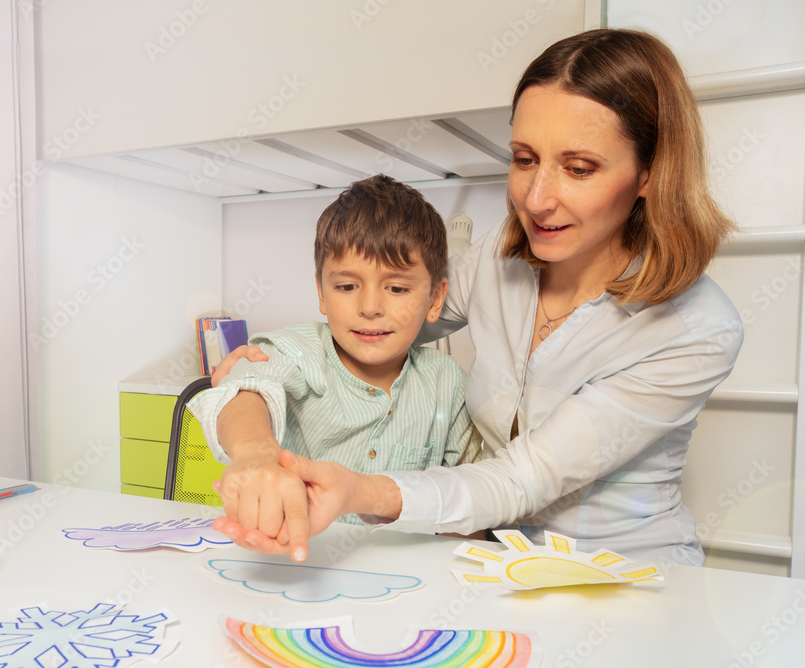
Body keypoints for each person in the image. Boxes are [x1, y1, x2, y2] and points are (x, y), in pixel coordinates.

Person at [210, 28, 744, 568]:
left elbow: (521, 479)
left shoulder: (696, 329)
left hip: (628, 574)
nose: (536, 200)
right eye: (524, 159)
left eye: (578, 168)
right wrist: (264, 372)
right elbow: (385, 318)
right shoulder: (499, 258)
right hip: (495, 564)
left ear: (650, 173)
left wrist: (360, 492)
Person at [188, 175, 473, 550]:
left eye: (397, 288)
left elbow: (460, 499)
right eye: (346, 287)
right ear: (321, 292)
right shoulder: (298, 350)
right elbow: (248, 386)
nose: (370, 308)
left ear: (435, 299)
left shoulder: (447, 383)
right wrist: (255, 451)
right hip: (297, 563)